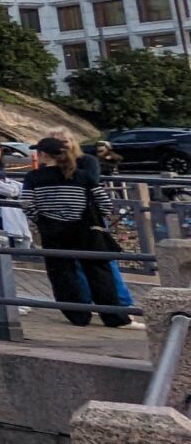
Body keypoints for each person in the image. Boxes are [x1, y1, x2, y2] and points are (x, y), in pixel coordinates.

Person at [24, 134, 131, 328]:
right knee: (98, 272)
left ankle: (78, 316)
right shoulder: (81, 175)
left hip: (52, 229)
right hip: (84, 229)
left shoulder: (34, 177)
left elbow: (27, 204)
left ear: (42, 155)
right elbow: (104, 203)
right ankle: (114, 316)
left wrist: (40, 219)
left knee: (62, 274)